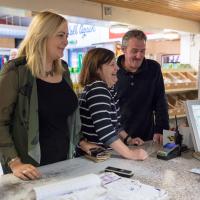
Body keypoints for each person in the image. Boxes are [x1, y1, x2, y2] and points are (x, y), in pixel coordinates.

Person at [0, 11, 81, 180]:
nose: (65, 41)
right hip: (30, 169)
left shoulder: (64, 70)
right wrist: (14, 162)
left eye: (67, 35)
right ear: (41, 35)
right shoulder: (16, 71)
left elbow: (65, 117)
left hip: (64, 163)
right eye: (60, 35)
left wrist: (82, 142)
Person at [76, 47, 148, 161]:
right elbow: (105, 129)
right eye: (111, 64)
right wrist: (130, 153)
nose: (117, 68)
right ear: (97, 69)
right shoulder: (98, 90)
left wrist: (128, 139)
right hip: (95, 158)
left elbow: (115, 125)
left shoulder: (106, 89)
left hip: (104, 155)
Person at [116, 29, 169, 144]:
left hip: (147, 137)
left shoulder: (153, 68)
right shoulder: (113, 70)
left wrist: (161, 129)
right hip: (118, 139)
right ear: (123, 49)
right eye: (134, 51)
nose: (139, 56)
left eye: (142, 51)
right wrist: (125, 138)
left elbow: (160, 100)